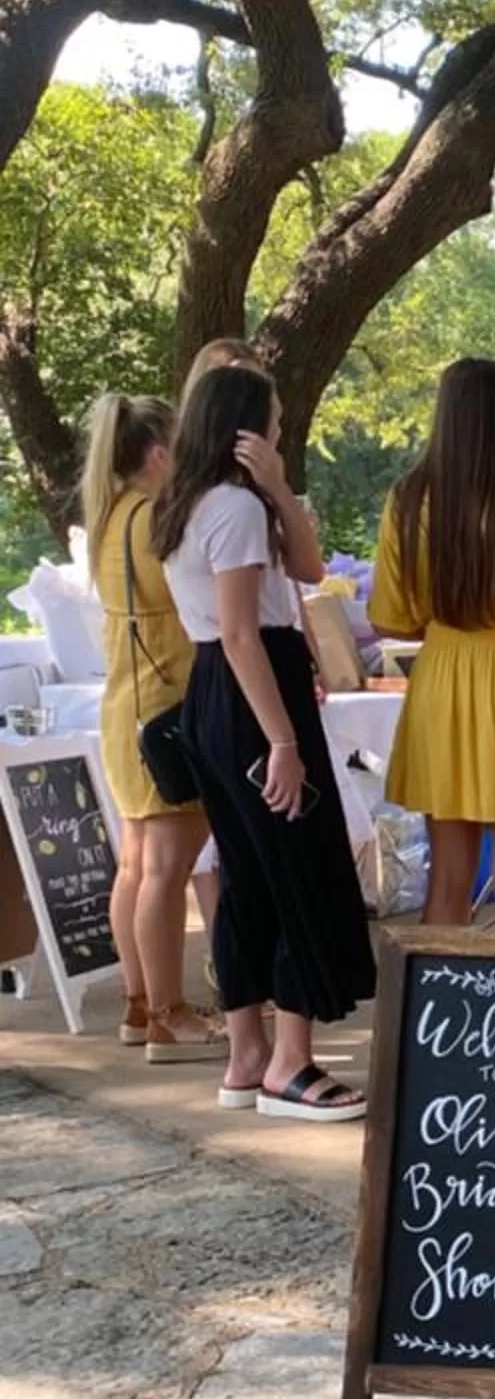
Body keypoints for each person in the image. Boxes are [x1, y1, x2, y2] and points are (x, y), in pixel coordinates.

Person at [151, 364, 374, 1118]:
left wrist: (280, 488)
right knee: (298, 868)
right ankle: (290, 1063)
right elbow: (244, 632)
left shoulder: (188, 504)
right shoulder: (235, 508)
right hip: (255, 690)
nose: (282, 429)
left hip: (214, 692)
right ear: (245, 427)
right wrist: (282, 740)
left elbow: (309, 568)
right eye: (274, 418)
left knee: (247, 875)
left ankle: (248, 1055)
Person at [372, 359, 495, 926]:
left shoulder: (408, 499)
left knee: (446, 880)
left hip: (441, 681)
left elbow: (390, 618)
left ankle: (436, 985)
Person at [78, 392, 222, 1064]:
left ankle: (141, 1004)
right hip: (167, 709)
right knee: (166, 867)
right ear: (160, 455)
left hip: (128, 709)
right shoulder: (152, 520)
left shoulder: (110, 516)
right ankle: (169, 1014)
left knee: (137, 865)